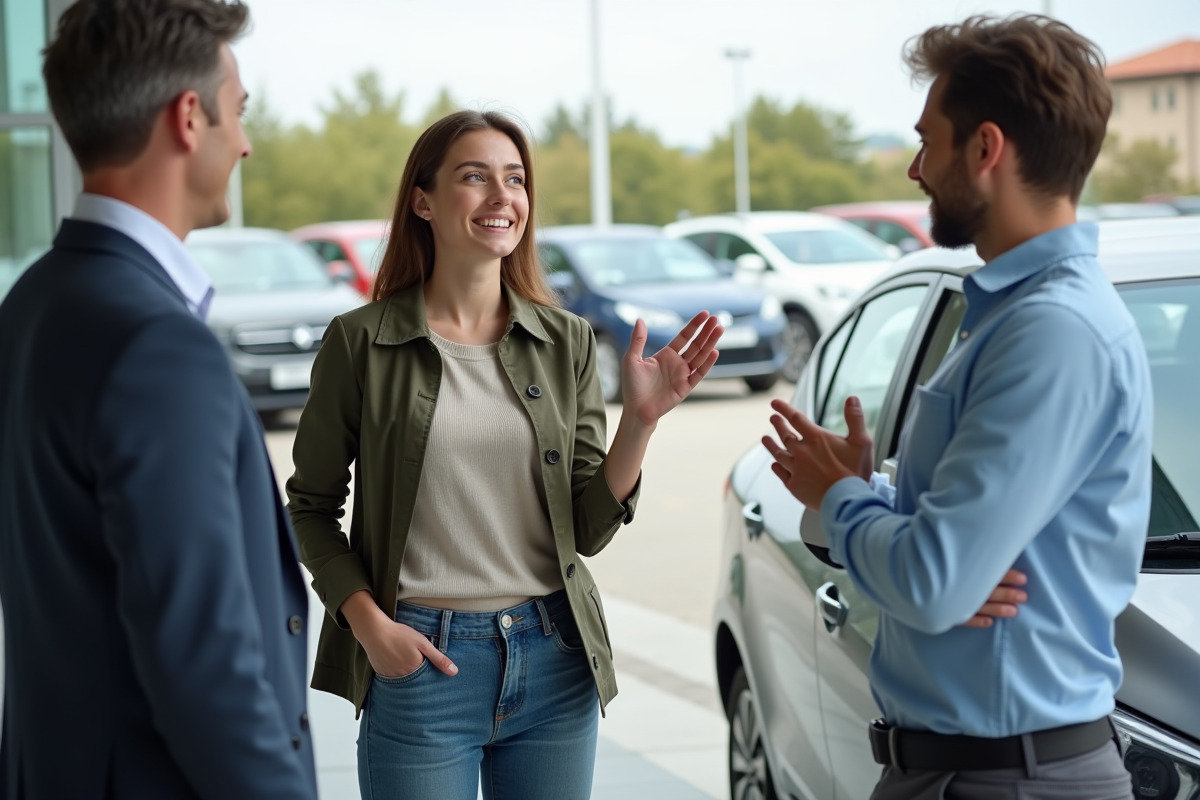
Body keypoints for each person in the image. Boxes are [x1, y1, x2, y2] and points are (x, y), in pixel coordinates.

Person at [287, 109, 722, 800]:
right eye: (475, 177)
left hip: (555, 656)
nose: (502, 196)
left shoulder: (566, 340)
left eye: (515, 179)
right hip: (420, 659)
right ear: (423, 201)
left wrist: (639, 425)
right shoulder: (360, 342)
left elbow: (586, 531)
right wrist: (370, 628)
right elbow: (309, 509)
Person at [764, 15, 1147, 800]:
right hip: (966, 770)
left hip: (1008, 779)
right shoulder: (1011, 315)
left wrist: (843, 499)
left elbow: (934, 582)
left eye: (926, 141)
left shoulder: (1053, 333)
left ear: (984, 149)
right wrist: (876, 508)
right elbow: (941, 565)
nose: (915, 169)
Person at [0, 2, 318, 798]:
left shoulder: (33, 302)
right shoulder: (157, 343)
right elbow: (206, 670)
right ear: (187, 118)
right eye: (237, 112)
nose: (244, 142)